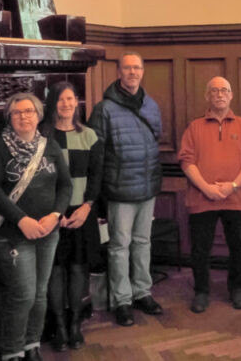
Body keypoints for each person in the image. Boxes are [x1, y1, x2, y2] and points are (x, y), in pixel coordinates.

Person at [0, 93, 72, 361]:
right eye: (17, 112)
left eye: (29, 111)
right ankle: (12, 352)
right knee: (22, 295)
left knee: (40, 294)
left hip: (47, 232)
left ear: (38, 115)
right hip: (12, 234)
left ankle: (32, 345)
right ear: (9, 117)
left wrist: (55, 214)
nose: (23, 116)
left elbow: (65, 185)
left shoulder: (49, 145)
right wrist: (22, 220)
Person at [88, 51, 164, 327]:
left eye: (137, 68)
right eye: (127, 68)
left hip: (148, 187)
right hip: (119, 190)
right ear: (118, 72)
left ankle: (142, 291)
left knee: (143, 243)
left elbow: (156, 142)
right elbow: (96, 155)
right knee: (119, 247)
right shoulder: (103, 109)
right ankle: (122, 300)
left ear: (143, 72)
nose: (133, 72)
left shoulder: (152, 106)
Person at [178, 77, 241, 313]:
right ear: (207, 96)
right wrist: (206, 188)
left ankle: (237, 289)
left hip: (236, 198)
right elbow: (186, 160)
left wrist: (232, 186)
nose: (219, 94)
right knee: (200, 250)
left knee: (238, 248)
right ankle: (201, 291)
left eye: (224, 90)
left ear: (231, 95)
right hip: (201, 198)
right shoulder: (194, 127)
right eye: (214, 90)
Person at [40, 82, 103, 352]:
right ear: (52, 103)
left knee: (78, 268)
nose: (67, 104)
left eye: (71, 99)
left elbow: (97, 176)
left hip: (81, 212)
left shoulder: (89, 135)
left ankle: (76, 324)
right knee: (54, 271)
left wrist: (87, 206)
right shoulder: (42, 136)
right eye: (61, 99)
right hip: (50, 213)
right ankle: (60, 328)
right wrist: (55, 212)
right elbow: (40, 180)